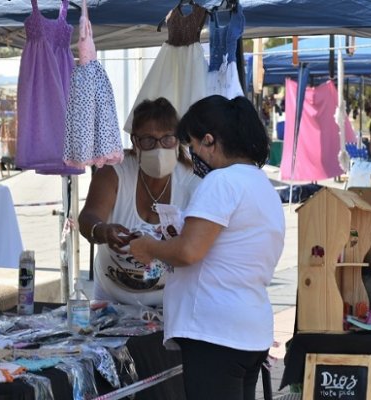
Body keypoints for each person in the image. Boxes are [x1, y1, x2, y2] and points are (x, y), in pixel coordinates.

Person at [130, 95, 285, 400]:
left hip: (216, 333)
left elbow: (189, 251)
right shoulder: (260, 183)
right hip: (248, 328)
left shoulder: (221, 182)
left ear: (209, 141)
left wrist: (150, 247)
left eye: (191, 144)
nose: (190, 154)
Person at [79, 97, 200, 306]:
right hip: (111, 298)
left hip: (170, 302)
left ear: (178, 141)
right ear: (135, 143)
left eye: (167, 139)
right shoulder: (114, 172)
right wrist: (102, 230)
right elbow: (88, 218)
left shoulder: (192, 181)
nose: (159, 148)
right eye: (148, 140)